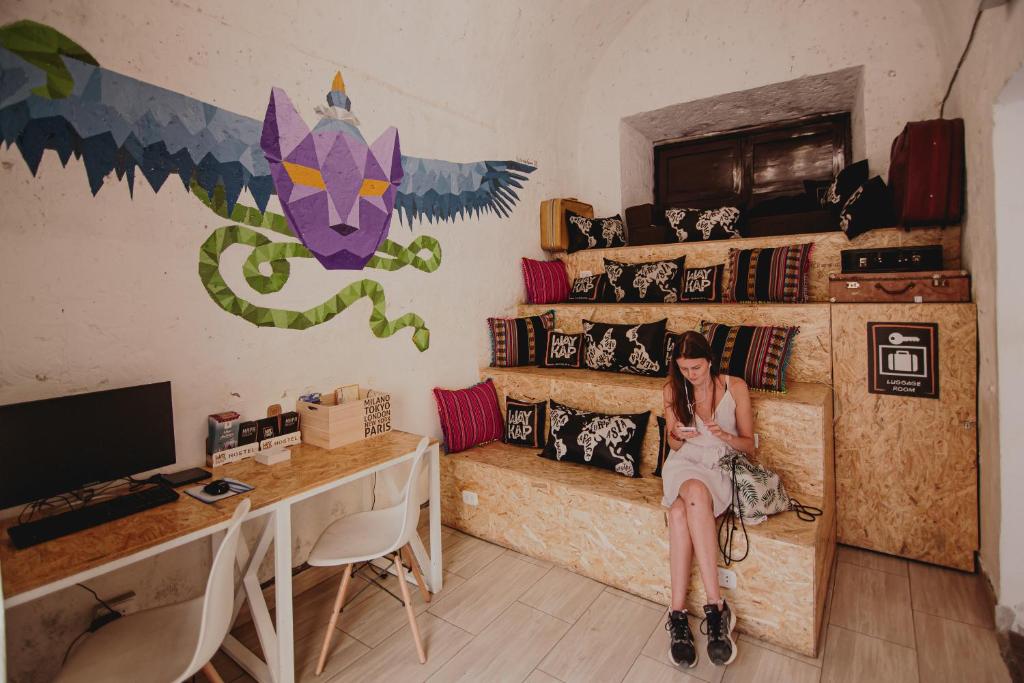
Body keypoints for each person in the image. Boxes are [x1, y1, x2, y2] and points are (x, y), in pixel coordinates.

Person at [661, 331, 755, 669]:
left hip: (719, 466)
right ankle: (716, 607)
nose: (690, 375)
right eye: (684, 368)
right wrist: (676, 434)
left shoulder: (735, 387)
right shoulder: (673, 389)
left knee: (678, 513)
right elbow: (673, 447)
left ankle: (678, 613)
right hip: (683, 466)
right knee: (694, 493)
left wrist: (724, 435)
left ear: (710, 360)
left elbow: (749, 445)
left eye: (696, 368)